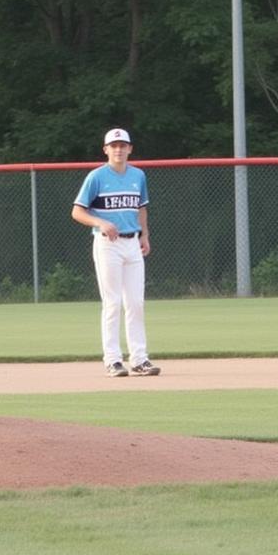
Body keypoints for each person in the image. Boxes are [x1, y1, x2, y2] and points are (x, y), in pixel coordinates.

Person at [72, 128, 160, 377]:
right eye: (114, 145)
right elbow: (77, 211)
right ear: (106, 150)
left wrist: (145, 234)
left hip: (132, 243)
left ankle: (140, 359)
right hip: (107, 244)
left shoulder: (138, 176)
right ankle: (112, 359)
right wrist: (100, 222)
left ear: (130, 149)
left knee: (135, 303)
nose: (119, 149)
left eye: (123, 145)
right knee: (112, 303)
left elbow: (141, 208)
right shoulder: (96, 177)